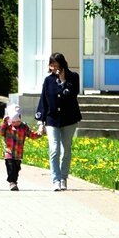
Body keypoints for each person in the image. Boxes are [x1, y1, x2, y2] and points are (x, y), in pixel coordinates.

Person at [35, 51, 82, 191]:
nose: (54, 68)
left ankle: (63, 178)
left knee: (66, 150)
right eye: (52, 65)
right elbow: (43, 100)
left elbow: (72, 94)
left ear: (62, 65)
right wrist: (40, 122)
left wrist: (62, 81)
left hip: (69, 119)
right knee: (54, 150)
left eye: (56, 65)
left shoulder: (73, 77)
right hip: (52, 119)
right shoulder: (48, 80)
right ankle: (55, 180)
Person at [0, 103, 43, 191]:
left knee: (16, 169)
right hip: (9, 152)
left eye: (18, 121)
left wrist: (39, 134)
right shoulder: (7, 126)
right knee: (10, 167)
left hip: (18, 153)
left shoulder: (24, 127)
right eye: (14, 122)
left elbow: (31, 135)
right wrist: (4, 122)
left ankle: (14, 181)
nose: (16, 123)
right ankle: (12, 182)